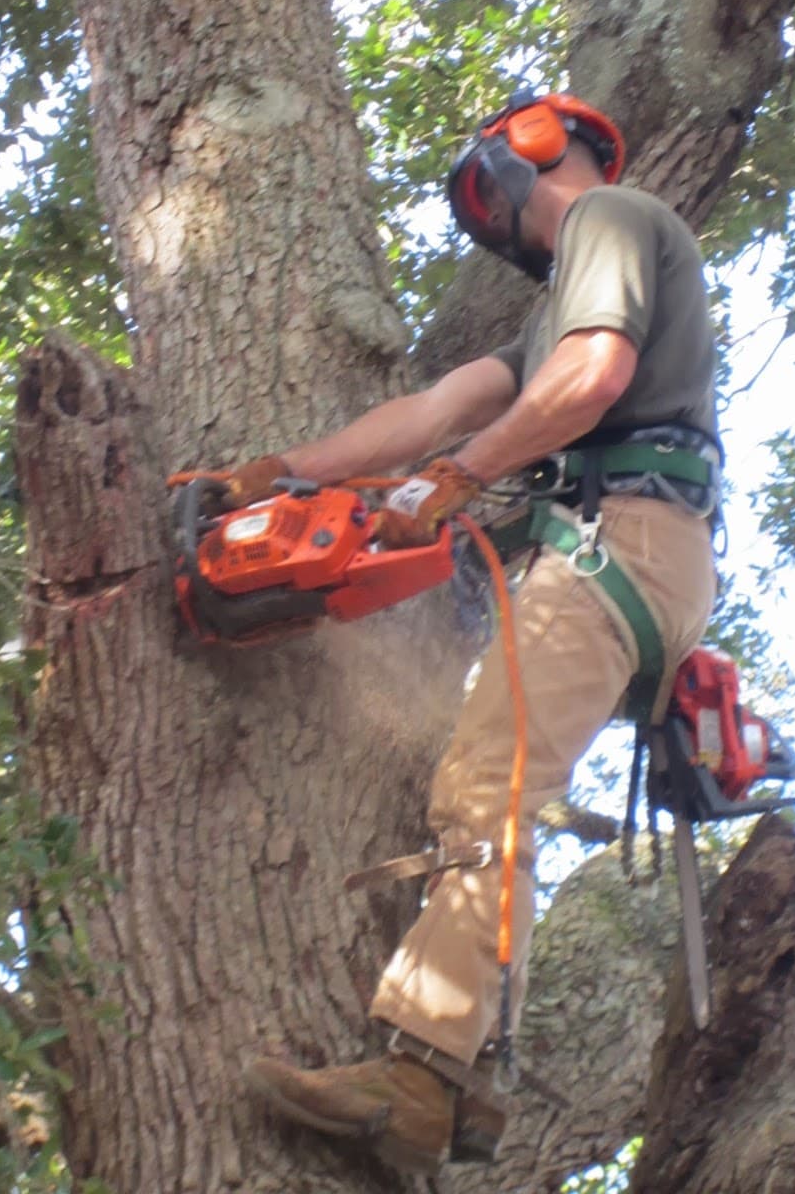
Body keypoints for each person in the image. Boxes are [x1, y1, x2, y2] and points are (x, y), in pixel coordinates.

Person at [233, 91, 721, 1173]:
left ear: (535, 146)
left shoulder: (611, 218)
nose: (488, 216)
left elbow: (592, 379)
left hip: (618, 541)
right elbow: (439, 407)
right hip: (639, 549)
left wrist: (461, 479)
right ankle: (476, 1079)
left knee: (484, 788)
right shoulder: (545, 317)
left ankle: (417, 1069)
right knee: (501, 784)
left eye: (485, 183)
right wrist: (282, 475)